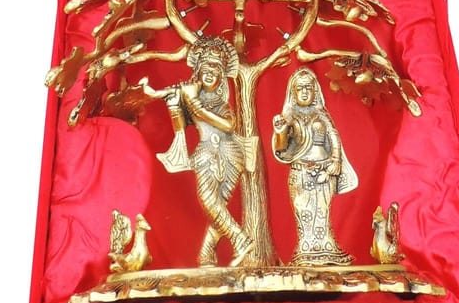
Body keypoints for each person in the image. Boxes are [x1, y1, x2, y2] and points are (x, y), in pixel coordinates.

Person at [144, 36, 254, 267]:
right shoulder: (190, 95)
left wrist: (196, 104)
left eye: (215, 69)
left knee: (215, 204)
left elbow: (229, 125)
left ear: (222, 76)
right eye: (206, 68)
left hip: (230, 152)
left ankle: (221, 248)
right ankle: (223, 246)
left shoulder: (219, 103)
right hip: (205, 153)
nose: (210, 73)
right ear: (198, 71)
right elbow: (179, 125)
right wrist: (174, 102)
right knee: (210, 202)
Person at [272, 67, 357, 265]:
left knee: (322, 213)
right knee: (303, 211)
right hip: (300, 172)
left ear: (315, 91)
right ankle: (306, 248)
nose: (304, 92)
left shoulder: (321, 115)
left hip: (324, 172)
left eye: (308, 88)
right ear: (293, 93)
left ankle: (327, 248)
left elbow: (333, 136)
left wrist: (336, 160)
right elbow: (282, 148)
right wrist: (280, 131)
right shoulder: (289, 117)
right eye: (300, 88)